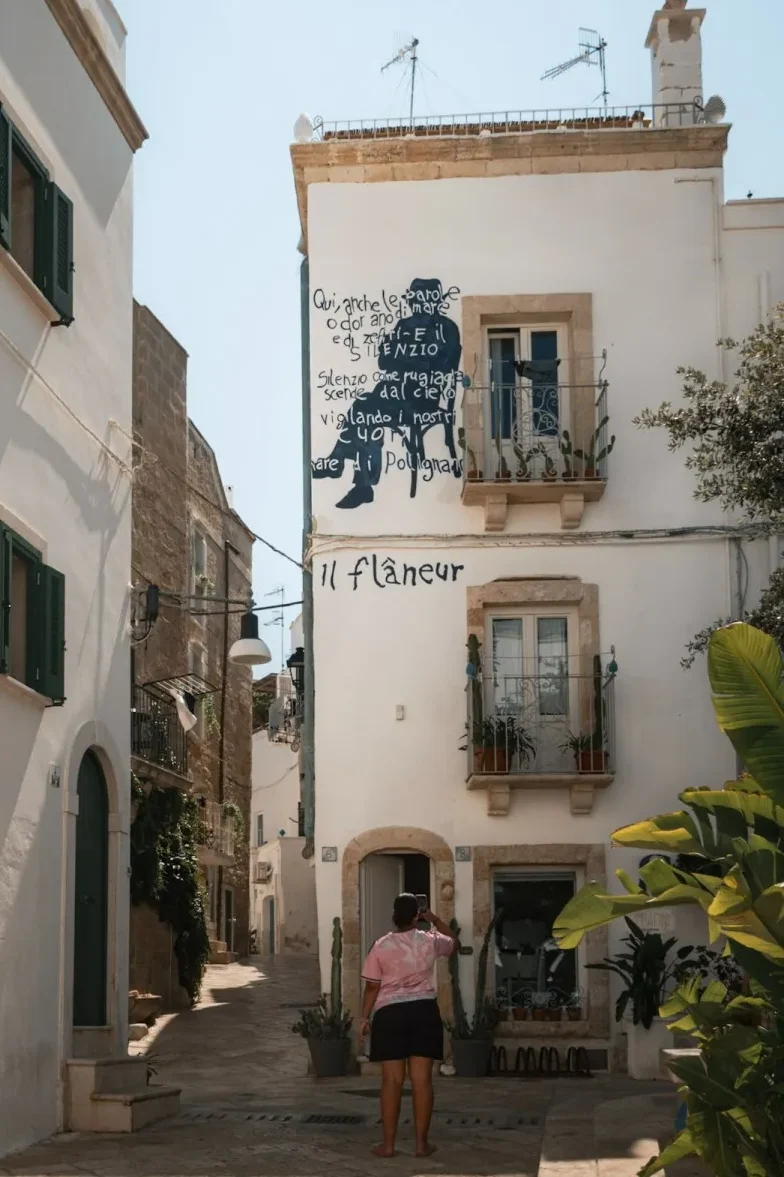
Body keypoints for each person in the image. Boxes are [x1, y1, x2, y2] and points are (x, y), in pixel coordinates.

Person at [360, 893, 458, 1158]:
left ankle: (388, 1145)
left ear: (394, 915)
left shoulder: (380, 945)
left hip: (389, 1014)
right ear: (417, 915)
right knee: (422, 1081)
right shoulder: (430, 940)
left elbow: (372, 987)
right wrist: (434, 919)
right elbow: (454, 942)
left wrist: (364, 1018)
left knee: (391, 1081)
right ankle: (421, 1145)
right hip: (423, 1012)